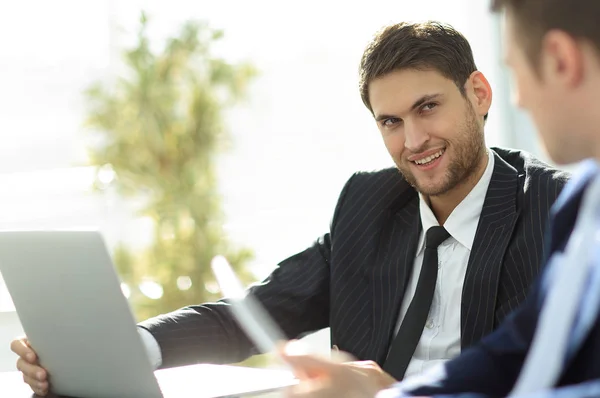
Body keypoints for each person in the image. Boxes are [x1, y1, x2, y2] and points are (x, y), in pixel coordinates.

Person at [11, 21, 569, 397]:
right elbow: (257, 313)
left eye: (428, 108)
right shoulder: (369, 204)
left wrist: (390, 393)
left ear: (479, 94)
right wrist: (124, 348)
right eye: (390, 122)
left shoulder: (556, 210)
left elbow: (544, 378)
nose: (413, 140)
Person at [276, 0, 600, 397]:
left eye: (515, 71)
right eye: (391, 121)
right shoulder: (585, 203)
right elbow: (515, 352)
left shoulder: (550, 202)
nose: (518, 100)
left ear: (560, 61)